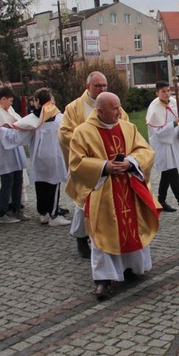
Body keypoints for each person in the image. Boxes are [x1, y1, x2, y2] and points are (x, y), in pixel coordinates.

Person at [66, 92, 160, 301]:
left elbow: (145, 150)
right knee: (102, 235)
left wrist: (131, 162)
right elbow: (76, 164)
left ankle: (131, 267)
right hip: (103, 193)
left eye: (119, 107)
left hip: (129, 190)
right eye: (115, 108)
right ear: (100, 111)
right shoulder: (83, 132)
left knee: (132, 226)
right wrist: (104, 166)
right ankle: (103, 280)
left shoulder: (128, 127)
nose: (120, 112)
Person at [59, 71, 129, 259]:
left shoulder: (114, 105)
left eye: (104, 85)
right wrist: (88, 142)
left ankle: (112, 237)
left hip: (114, 165)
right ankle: (81, 237)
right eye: (98, 85)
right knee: (84, 204)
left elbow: (126, 128)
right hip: (90, 165)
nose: (102, 89)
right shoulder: (74, 108)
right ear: (87, 86)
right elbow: (65, 133)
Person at [0, 88, 71, 226]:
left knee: (40, 184)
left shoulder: (32, 119)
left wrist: (1, 130)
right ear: (50, 101)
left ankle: (43, 214)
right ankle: (54, 215)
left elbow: (17, 137)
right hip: (54, 156)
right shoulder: (60, 117)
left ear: (37, 102)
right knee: (53, 185)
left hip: (38, 157)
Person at [146, 81, 179, 215]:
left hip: (173, 141)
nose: (167, 94)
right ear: (157, 93)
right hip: (162, 145)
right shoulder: (154, 108)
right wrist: (174, 124)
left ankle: (161, 201)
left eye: (168, 90)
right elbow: (158, 132)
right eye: (163, 91)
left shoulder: (174, 101)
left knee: (167, 173)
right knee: (172, 173)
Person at [0, 87, 28, 224]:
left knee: (18, 180)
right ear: (3, 99)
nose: (11, 104)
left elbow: (18, 122)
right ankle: (2, 212)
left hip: (14, 150)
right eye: (9, 101)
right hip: (3, 153)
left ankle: (16, 209)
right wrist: (6, 130)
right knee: (7, 182)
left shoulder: (8, 110)